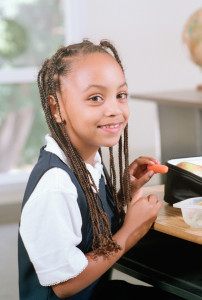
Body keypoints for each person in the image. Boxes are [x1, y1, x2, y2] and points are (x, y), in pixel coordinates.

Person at [18, 39, 182, 300]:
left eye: (121, 95)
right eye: (95, 98)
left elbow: (87, 227)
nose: (114, 109)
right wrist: (129, 233)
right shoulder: (56, 185)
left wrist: (124, 195)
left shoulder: (89, 163)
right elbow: (65, 284)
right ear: (55, 107)